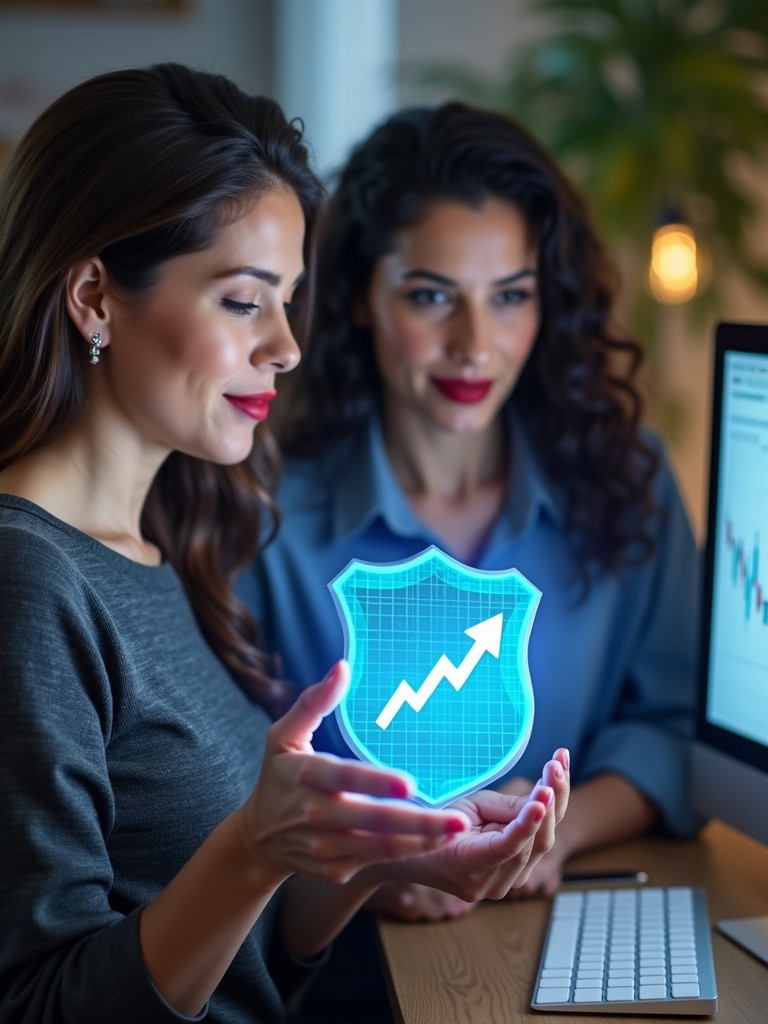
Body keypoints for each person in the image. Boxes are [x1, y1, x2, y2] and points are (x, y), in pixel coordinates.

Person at [0, 68, 571, 1024]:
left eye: (290, 300)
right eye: (242, 301)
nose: (287, 347)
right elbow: (42, 1008)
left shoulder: (157, 546)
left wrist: (389, 850)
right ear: (95, 297)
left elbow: (245, 963)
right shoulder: (30, 584)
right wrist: (255, 847)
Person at [240, 101, 702, 1022]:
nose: (475, 346)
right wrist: (376, 864)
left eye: (511, 296)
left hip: (548, 945)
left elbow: (677, 729)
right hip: (321, 973)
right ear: (361, 298)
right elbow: (225, 795)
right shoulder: (262, 508)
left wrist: (551, 832)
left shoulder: (629, 477)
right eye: (430, 294)